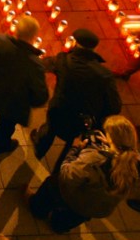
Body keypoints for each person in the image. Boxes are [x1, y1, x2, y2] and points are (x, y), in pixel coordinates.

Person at [29, 115, 140, 233]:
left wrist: (75, 149)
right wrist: (111, 146)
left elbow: (67, 175)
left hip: (72, 197)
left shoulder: (95, 159)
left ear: (113, 141)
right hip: (98, 208)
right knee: (70, 219)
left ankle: (37, 209)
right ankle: (58, 227)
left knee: (51, 185)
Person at [32, 28, 121, 170]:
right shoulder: (105, 75)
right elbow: (115, 106)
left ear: (75, 43)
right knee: (71, 149)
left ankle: (38, 150)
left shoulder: (64, 61)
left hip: (58, 112)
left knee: (49, 130)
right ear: (94, 48)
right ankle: (59, 174)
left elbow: (42, 65)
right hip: (81, 123)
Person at [0, 16, 48, 154]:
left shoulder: (0, 41)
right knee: (6, 127)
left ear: (16, 30)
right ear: (34, 37)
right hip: (13, 104)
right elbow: (40, 97)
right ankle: (1, 146)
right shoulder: (35, 65)